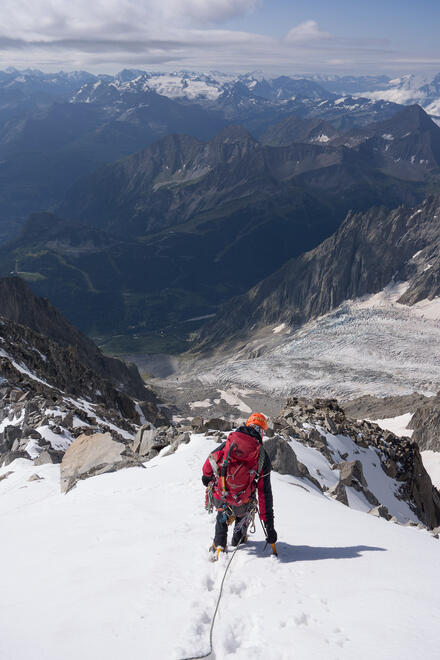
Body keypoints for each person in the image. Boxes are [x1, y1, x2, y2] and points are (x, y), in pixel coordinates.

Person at [202, 412, 277, 557]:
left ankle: (219, 544)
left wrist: (206, 478)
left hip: (221, 492)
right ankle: (239, 538)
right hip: (243, 500)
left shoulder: (230, 441)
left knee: (221, 516)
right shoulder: (262, 456)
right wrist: (269, 526)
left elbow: (210, 460)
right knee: (244, 514)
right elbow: (264, 493)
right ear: (262, 432)